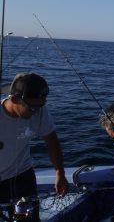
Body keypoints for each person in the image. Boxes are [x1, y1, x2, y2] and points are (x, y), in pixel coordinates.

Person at [0, 72, 68, 222]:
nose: (36, 111)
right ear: (14, 99)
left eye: (41, 105)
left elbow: (51, 141)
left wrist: (60, 173)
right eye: (32, 108)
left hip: (23, 178)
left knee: (24, 219)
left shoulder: (38, 109)